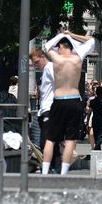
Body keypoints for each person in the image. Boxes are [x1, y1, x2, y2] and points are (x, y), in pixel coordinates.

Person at [41, 31, 95, 175]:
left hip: (59, 100)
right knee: (70, 139)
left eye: (59, 47)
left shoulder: (56, 59)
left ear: (62, 46)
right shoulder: (78, 58)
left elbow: (46, 46)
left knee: (51, 138)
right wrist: (71, 35)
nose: (57, 49)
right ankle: (64, 172)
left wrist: (61, 35)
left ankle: (45, 172)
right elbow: (90, 41)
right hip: (75, 100)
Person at [30, 46, 56, 157]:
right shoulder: (46, 70)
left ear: (42, 57)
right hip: (44, 109)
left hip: (49, 109)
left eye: (36, 62)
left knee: (46, 141)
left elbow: (59, 83)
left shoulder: (50, 68)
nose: (36, 65)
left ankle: (50, 167)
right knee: (43, 141)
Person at [88, 86, 102, 150]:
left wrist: (87, 122)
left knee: (96, 136)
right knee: (100, 137)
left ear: (96, 92)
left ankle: (97, 150)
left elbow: (89, 112)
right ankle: (97, 149)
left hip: (94, 120)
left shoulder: (92, 102)